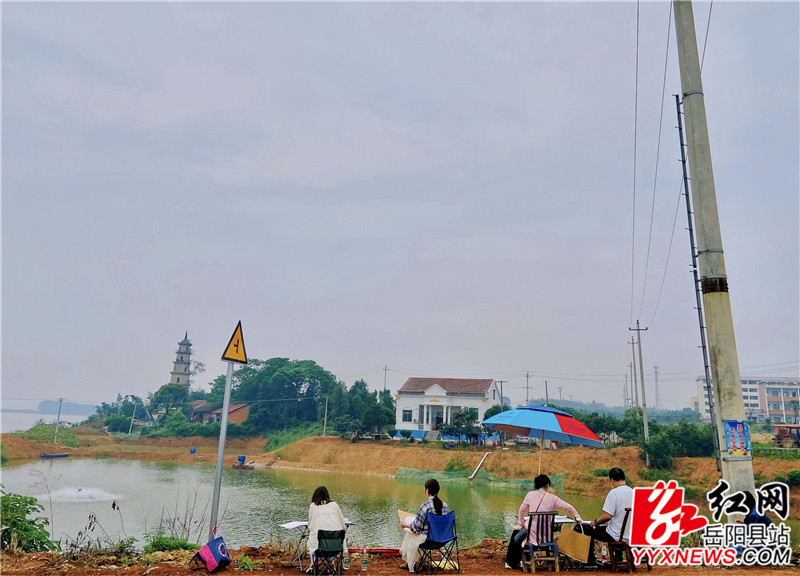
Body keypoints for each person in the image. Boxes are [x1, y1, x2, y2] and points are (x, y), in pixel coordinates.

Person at [505, 474, 583, 569]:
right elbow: (568, 507)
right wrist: (577, 517)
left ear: (536, 485)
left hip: (532, 535)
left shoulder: (530, 495)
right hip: (546, 536)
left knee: (517, 534)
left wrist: (521, 522)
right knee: (521, 534)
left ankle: (512, 562)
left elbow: (521, 510)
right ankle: (524, 559)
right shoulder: (553, 498)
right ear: (547, 485)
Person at [582, 467, 632, 565]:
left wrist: (595, 522)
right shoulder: (633, 492)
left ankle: (590, 560)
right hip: (631, 535)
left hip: (616, 536)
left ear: (612, 480)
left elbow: (607, 516)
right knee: (615, 528)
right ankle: (618, 558)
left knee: (587, 529)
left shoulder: (614, 493)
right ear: (624, 478)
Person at [399, 478, 448, 573]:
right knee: (417, 534)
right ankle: (424, 562)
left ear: (427, 491)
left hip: (429, 540)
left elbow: (416, 528)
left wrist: (406, 524)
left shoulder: (425, 506)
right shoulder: (445, 505)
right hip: (443, 539)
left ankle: (410, 563)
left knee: (410, 534)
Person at [307, 486, 348, 570]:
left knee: (312, 539)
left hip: (319, 548)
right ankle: (331, 561)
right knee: (329, 543)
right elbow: (343, 524)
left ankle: (313, 562)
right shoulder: (334, 505)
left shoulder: (313, 506)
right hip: (336, 546)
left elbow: (310, 526)